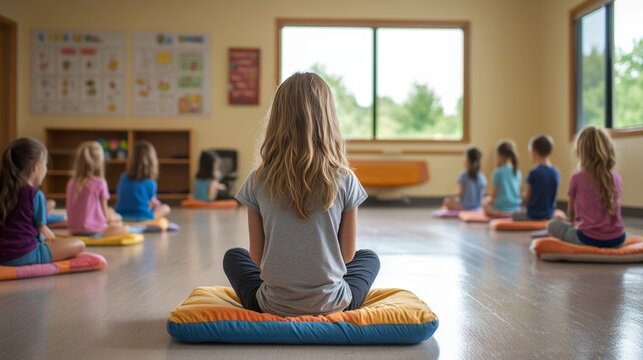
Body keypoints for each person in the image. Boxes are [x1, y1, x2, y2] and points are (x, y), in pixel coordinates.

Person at [223, 72, 380, 317]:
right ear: (328, 119)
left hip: (272, 304)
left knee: (234, 257)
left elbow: (256, 256)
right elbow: (348, 256)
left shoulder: (257, 179)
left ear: (277, 119)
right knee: (369, 258)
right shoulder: (345, 178)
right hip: (334, 303)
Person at [0, 138, 85, 266]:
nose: (46, 169)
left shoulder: (3, 190)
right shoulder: (34, 194)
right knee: (79, 244)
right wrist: (52, 237)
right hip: (23, 254)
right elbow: (44, 231)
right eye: (45, 165)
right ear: (36, 167)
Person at [547, 126, 625, 248]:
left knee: (552, 225)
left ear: (580, 152)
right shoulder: (617, 177)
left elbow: (571, 216)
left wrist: (562, 219)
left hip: (588, 239)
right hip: (617, 239)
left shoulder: (577, 177)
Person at [66, 141, 129, 236]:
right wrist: (115, 218)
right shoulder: (100, 183)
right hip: (94, 231)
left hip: (74, 230)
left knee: (111, 211)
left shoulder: (71, 182)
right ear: (100, 162)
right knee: (124, 227)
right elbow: (105, 215)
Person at [115, 141, 170, 221]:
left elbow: (119, 198)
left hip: (121, 216)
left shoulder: (123, 178)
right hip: (143, 217)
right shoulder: (151, 183)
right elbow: (150, 205)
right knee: (165, 208)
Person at [512, 135, 561, 221]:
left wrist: (519, 195)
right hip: (549, 214)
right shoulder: (556, 172)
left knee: (514, 215)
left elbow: (526, 199)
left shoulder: (534, 172)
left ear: (534, 152)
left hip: (533, 216)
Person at [483, 140, 522, 217]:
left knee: (485, 204)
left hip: (500, 207)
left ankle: (502, 214)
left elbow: (494, 195)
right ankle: (511, 213)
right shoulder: (517, 172)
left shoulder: (497, 172)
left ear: (500, 155)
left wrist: (487, 201)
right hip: (516, 207)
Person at [443, 146, 486, 211]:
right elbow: (482, 194)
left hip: (464, 206)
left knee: (446, 201)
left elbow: (460, 193)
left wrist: (451, 197)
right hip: (478, 206)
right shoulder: (481, 176)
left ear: (467, 160)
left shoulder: (463, 175)